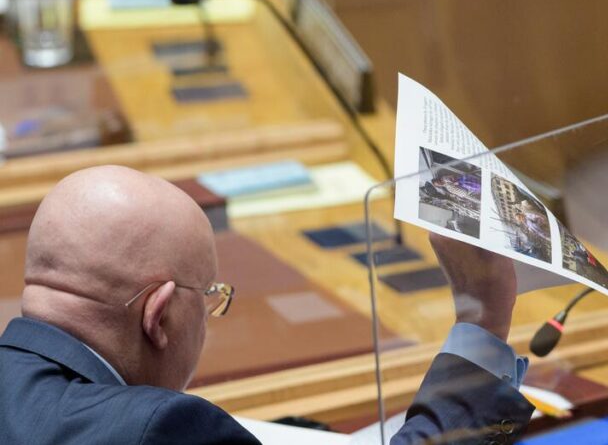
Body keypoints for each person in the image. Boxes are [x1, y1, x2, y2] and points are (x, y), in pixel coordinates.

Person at [0, 166, 533, 444]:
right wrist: (483, 315)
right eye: (210, 298)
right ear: (157, 316)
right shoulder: (160, 429)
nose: (210, 317)